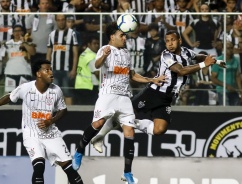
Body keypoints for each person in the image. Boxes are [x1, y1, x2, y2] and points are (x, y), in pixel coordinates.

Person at [89, 30, 226, 155]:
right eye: (167, 41)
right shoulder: (166, 55)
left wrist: (216, 61)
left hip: (167, 98)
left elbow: (199, 56)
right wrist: (204, 65)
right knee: (123, 114)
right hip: (153, 93)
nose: (170, 43)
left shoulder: (186, 52)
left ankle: (132, 122)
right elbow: (181, 70)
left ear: (180, 41)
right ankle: (99, 136)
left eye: (172, 40)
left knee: (159, 129)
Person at [71, 22, 166, 184]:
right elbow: (96, 65)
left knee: (130, 133)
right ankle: (79, 151)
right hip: (108, 95)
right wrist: (104, 56)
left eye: (125, 35)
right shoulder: (105, 49)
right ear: (112, 37)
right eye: (121, 35)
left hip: (124, 97)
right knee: (98, 123)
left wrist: (151, 80)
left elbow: (132, 75)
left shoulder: (126, 53)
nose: (125, 38)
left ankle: (127, 172)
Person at [0, 60, 84, 184]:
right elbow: (9, 96)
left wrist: (51, 120)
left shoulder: (56, 90)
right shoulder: (26, 88)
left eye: (51, 69)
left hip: (50, 133)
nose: (51, 73)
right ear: (38, 74)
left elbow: (63, 110)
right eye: (47, 70)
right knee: (39, 167)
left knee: (69, 169)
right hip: (31, 133)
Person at [46, 14, 79, 105]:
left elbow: (75, 53)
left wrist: (73, 69)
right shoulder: (52, 34)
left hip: (67, 69)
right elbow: (49, 53)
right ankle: (54, 114)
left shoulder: (72, 33)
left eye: (62, 19)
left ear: (65, 20)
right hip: (54, 69)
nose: (61, 21)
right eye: (59, 20)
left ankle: (69, 115)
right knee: (53, 93)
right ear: (56, 21)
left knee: (67, 92)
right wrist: (47, 69)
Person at [211, 41, 242, 106]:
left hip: (234, 90)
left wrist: (240, 90)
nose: (230, 50)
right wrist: (226, 86)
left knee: (235, 110)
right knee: (226, 109)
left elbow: (237, 77)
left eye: (231, 48)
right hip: (222, 91)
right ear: (223, 49)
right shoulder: (218, 60)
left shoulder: (236, 60)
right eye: (228, 48)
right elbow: (213, 78)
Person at [74, 35, 100, 105]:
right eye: (94, 43)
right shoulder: (92, 56)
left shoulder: (83, 54)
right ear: (89, 44)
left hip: (79, 85)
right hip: (89, 87)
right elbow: (97, 73)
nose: (97, 45)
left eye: (98, 43)